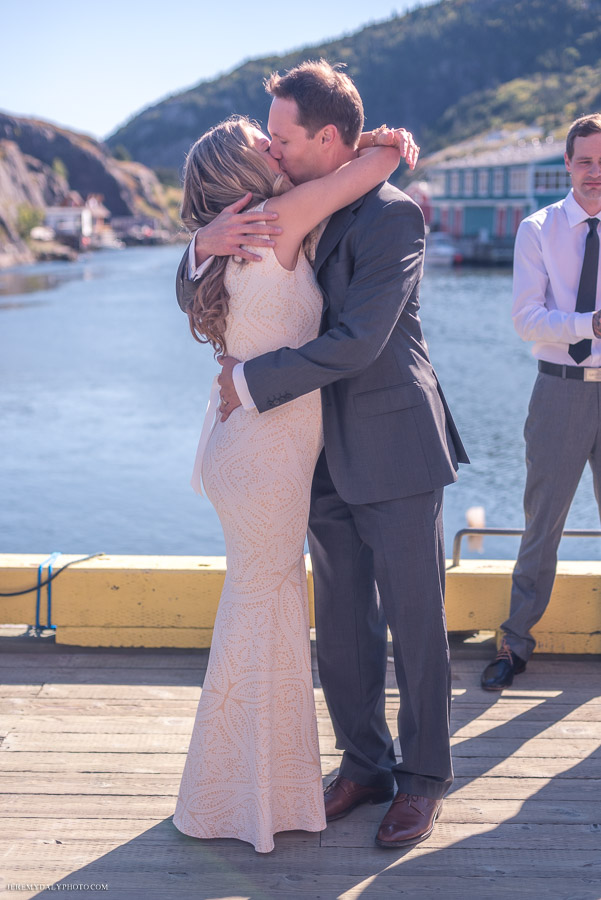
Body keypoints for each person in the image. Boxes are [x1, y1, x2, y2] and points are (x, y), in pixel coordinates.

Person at [178, 60, 468, 850]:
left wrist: (248, 378)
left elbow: (357, 341)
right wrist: (199, 241)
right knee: (340, 623)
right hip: (309, 451)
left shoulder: (393, 214)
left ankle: (424, 780)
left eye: (281, 138)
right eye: (266, 138)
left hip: (393, 441)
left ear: (328, 139)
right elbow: (209, 275)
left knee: (414, 624)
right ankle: (363, 766)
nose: (270, 150)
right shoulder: (280, 210)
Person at [481, 113, 601, 691]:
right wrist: (591, 324)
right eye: (585, 161)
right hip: (559, 391)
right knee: (542, 526)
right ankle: (514, 645)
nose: (595, 173)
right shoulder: (538, 229)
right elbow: (527, 320)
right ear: (568, 165)